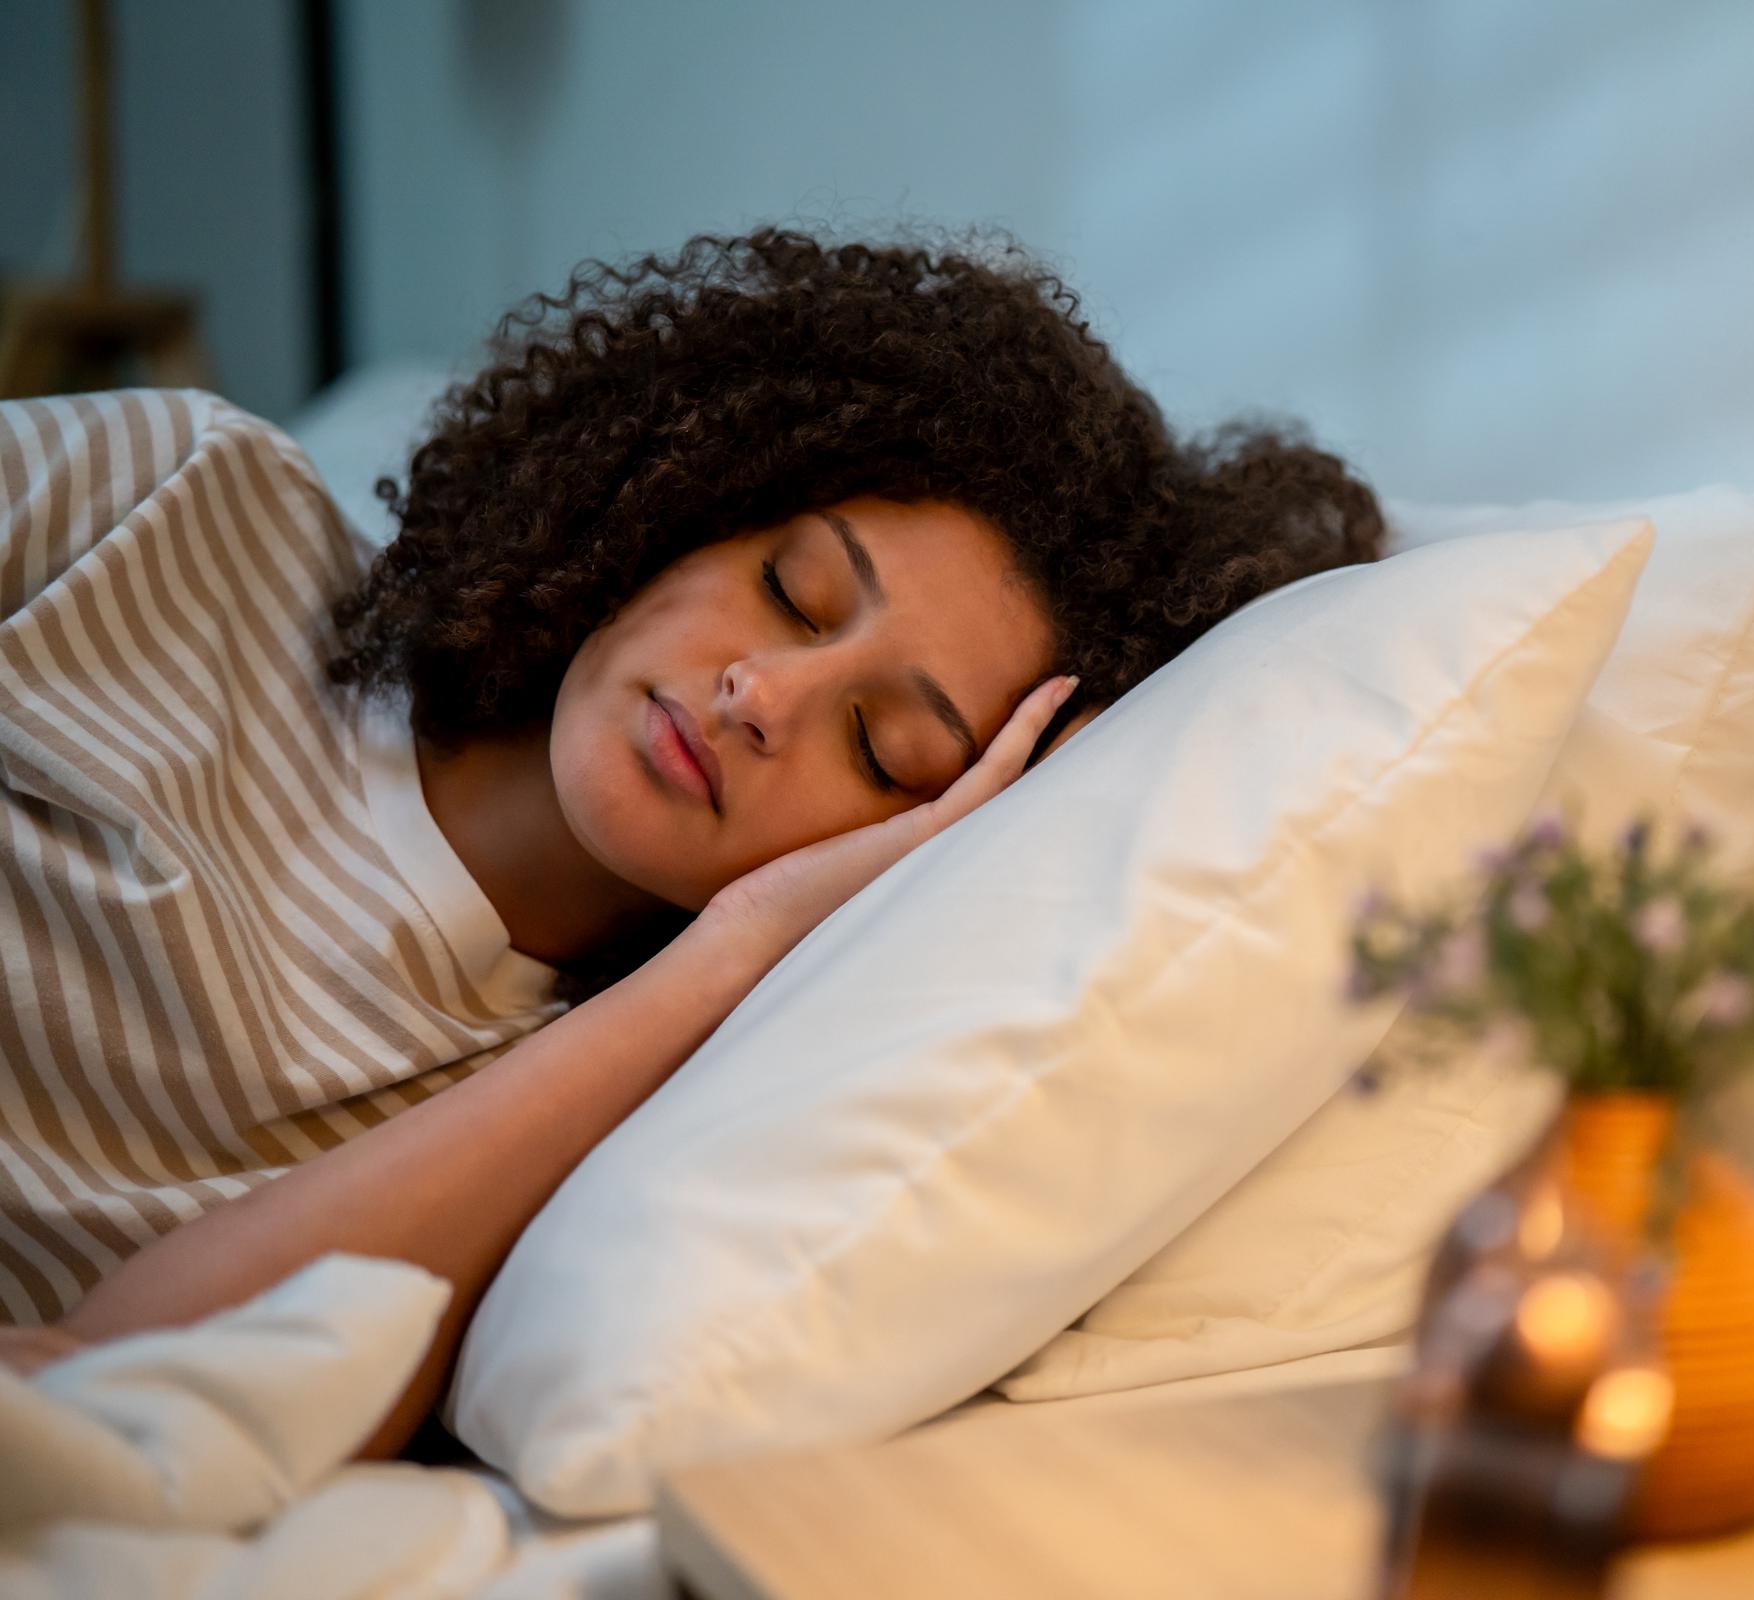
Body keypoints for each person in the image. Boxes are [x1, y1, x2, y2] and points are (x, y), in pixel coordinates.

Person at [0, 227, 1383, 1453]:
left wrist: (742, 951)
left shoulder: (570, 1131)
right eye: (793, 587)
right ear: (690, 492)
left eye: (884, 750)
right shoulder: (178, 507)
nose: (762, 698)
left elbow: (114, 1383)